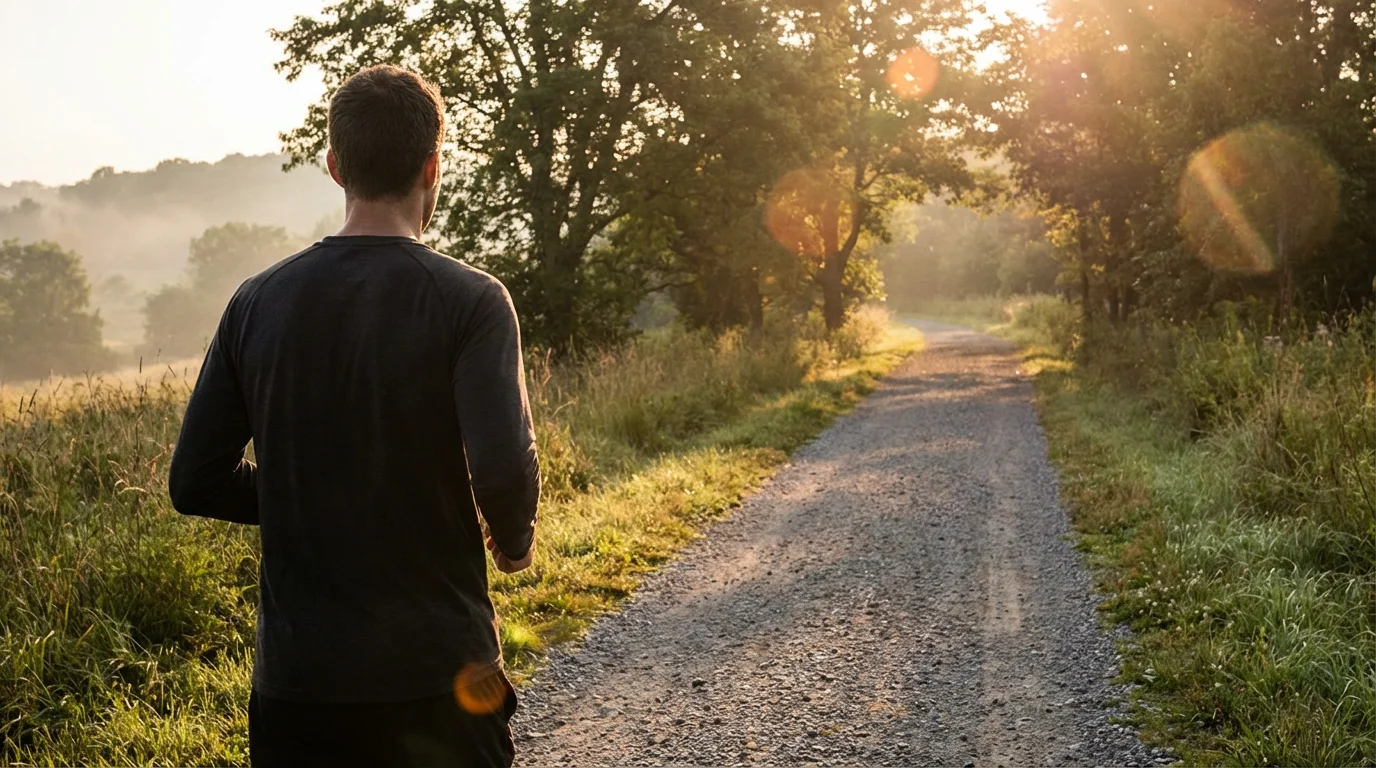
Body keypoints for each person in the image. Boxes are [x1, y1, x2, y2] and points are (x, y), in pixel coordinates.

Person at [168, 64, 540, 768]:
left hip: (299, 689)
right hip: (441, 677)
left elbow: (194, 481)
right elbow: (501, 468)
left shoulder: (256, 302)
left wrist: (307, 494)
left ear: (335, 166)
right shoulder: (472, 301)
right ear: (433, 165)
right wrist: (515, 544)